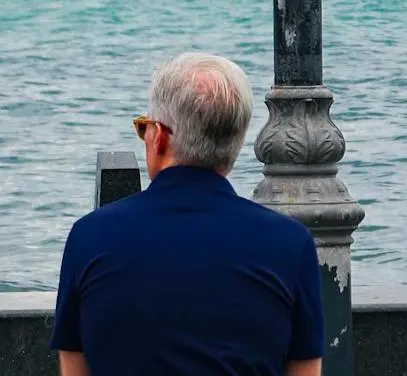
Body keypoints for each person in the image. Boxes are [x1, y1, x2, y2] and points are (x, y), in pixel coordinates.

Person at [50, 53, 324, 376]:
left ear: (161, 138)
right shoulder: (291, 246)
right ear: (235, 142)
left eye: (145, 128)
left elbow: (74, 368)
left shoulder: (89, 239)